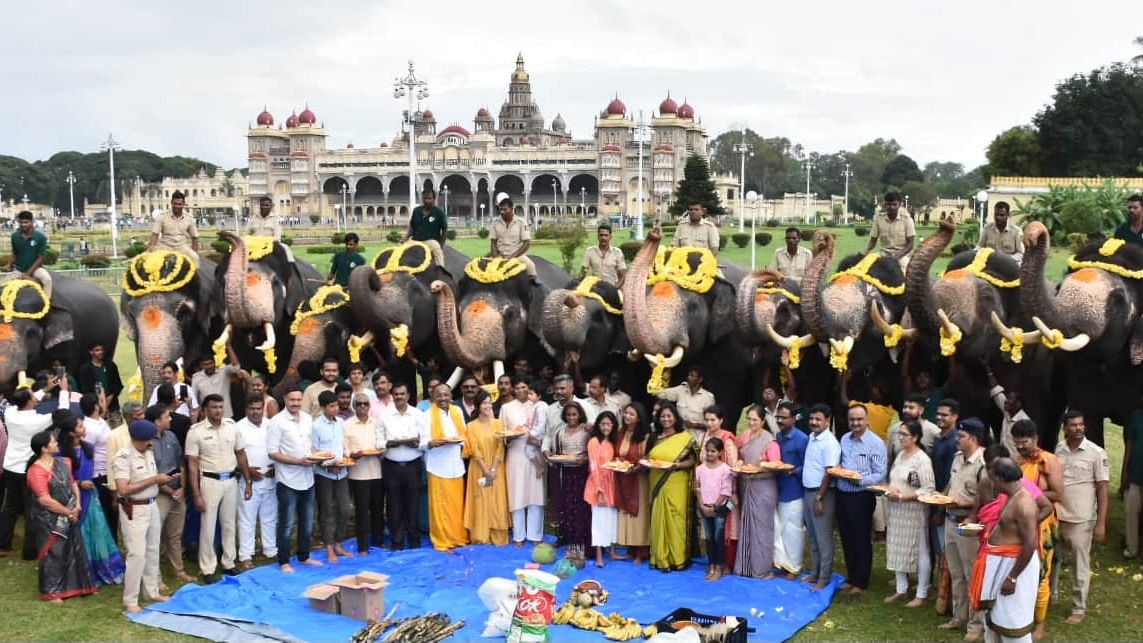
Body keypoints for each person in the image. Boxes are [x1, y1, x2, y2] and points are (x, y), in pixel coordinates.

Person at [970, 457, 1040, 643]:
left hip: (1013, 568)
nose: (990, 482)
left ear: (1000, 479)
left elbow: (1030, 543)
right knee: (994, 619)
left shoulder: (1023, 504)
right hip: (1000, 565)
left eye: (992, 478)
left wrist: (1013, 577)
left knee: (1012, 623)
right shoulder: (1011, 497)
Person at [185, 394, 250, 582]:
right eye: (214, 407)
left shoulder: (232, 427)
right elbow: (192, 464)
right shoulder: (195, 432)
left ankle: (229, 562)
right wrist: (196, 494)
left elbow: (241, 454)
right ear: (205, 410)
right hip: (209, 481)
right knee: (208, 525)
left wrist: (248, 481)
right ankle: (208, 568)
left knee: (229, 523)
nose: (218, 411)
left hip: (230, 480)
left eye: (220, 407)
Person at [1053, 411, 1110, 627]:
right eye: (1073, 425)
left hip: (1082, 517)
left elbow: (1103, 490)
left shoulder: (1096, 453)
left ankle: (1079, 607)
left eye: (1081, 425)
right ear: (1065, 428)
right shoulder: (1059, 449)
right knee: (1053, 557)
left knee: (1080, 562)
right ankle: (1052, 594)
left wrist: (1101, 523)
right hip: (1058, 515)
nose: (1078, 428)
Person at [27, 430, 98, 602]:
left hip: (70, 511)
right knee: (54, 553)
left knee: (75, 549)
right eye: (52, 442)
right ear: (44, 448)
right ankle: (52, 591)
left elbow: (73, 483)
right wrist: (68, 512)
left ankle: (82, 586)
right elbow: (44, 500)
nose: (56, 443)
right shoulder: (35, 472)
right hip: (48, 519)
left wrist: (77, 505)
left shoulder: (64, 462)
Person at [54, 414, 125, 586]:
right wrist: (78, 483)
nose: (84, 429)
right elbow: (60, 477)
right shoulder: (60, 453)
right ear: (71, 433)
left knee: (98, 530)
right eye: (80, 427)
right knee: (80, 532)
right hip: (72, 497)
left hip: (91, 496)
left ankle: (102, 568)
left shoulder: (88, 448)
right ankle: (81, 570)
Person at [829, 404, 889, 598]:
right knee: (846, 537)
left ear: (867, 420)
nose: (855, 423)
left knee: (861, 538)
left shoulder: (876, 443)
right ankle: (852, 577)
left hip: (861, 495)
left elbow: (880, 473)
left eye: (859, 419)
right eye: (852, 420)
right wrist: (838, 470)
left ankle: (861, 581)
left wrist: (859, 480)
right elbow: (841, 463)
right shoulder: (845, 439)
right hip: (843, 494)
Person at [112, 420, 172, 612]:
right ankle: (130, 599)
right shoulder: (123, 456)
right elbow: (123, 488)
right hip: (134, 509)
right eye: (149, 440)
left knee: (152, 550)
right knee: (137, 553)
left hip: (151, 504)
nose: (152, 443)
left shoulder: (148, 453)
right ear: (139, 439)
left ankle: (152, 591)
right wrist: (154, 479)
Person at [1011, 418, 1062, 637]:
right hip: (1017, 524)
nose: (1021, 447)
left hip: (1043, 524)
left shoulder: (1049, 461)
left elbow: (1058, 494)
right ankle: (1022, 614)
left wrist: (1027, 491)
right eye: (1017, 442)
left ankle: (1040, 622)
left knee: (1041, 572)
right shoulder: (1014, 461)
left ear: (1035, 439)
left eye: (1025, 442)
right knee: (1021, 570)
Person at [0, 387, 61, 559]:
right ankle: (30, 551)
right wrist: (62, 391)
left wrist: (46, 388)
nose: (36, 398)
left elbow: (25, 400)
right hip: (27, 469)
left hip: (11, 466)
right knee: (31, 510)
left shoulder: (10, 413)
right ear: (28, 401)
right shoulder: (37, 420)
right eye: (33, 397)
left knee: (10, 507)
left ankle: (3, 544)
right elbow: (60, 413)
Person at [941, 418, 988, 639]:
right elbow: (952, 485)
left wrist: (964, 505)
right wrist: (940, 497)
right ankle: (958, 617)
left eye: (961, 436)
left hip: (970, 525)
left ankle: (975, 624)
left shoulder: (984, 463)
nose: (957, 439)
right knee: (956, 572)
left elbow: (987, 500)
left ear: (974, 438)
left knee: (971, 575)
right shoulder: (957, 458)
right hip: (950, 520)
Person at [267, 389, 320, 573]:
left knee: (307, 521)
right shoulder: (277, 422)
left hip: (308, 478)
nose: (296, 403)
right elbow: (273, 452)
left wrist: (317, 456)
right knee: (287, 522)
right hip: (288, 479)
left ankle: (304, 556)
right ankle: (284, 560)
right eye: (292, 399)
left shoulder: (307, 418)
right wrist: (298, 461)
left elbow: (310, 444)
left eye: (299, 399)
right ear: (285, 399)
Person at [884, 419, 936, 607]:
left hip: (914, 510)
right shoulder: (900, 455)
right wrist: (891, 489)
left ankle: (921, 592)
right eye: (900, 434)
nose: (901, 438)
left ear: (915, 437)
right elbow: (894, 478)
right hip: (896, 509)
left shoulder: (922, 460)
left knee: (920, 550)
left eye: (905, 435)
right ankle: (901, 588)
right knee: (897, 546)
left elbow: (929, 488)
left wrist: (907, 496)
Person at [144, 404, 192, 582]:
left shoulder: (171, 436)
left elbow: (181, 464)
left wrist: (182, 488)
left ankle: (179, 571)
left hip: (177, 492)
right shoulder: (147, 442)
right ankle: (155, 577)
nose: (170, 419)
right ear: (157, 421)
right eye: (167, 416)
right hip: (159, 495)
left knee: (175, 535)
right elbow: (151, 473)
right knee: (154, 536)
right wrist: (171, 491)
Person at [647, 402, 696, 571]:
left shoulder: (686, 438)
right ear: (658, 418)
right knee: (658, 519)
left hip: (677, 482)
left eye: (669, 416)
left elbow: (693, 461)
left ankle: (678, 558)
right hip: (657, 481)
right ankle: (660, 558)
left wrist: (676, 466)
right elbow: (648, 458)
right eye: (662, 416)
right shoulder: (653, 437)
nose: (666, 419)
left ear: (675, 418)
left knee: (677, 518)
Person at [420, 383, 469, 551]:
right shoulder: (427, 415)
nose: (443, 398)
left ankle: (457, 537)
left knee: (456, 505)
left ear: (451, 396)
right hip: (437, 466)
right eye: (439, 395)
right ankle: (442, 540)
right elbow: (421, 443)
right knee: (440, 508)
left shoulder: (457, 411)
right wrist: (431, 443)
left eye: (446, 395)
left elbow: (464, 436)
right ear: (433, 397)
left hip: (456, 464)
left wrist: (458, 440)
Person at [501, 378, 546, 547]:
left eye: (524, 387)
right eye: (518, 387)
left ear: (529, 389)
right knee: (517, 494)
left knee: (536, 495)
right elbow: (502, 433)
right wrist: (511, 435)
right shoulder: (506, 408)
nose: (521, 390)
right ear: (513, 390)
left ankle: (535, 535)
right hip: (515, 454)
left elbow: (544, 429)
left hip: (535, 455)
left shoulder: (537, 405)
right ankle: (518, 536)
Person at [546, 401, 593, 565]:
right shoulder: (560, 432)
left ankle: (582, 546)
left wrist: (584, 459)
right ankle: (571, 543)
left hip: (581, 473)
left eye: (574, 414)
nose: (571, 417)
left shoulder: (587, 431)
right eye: (568, 415)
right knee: (568, 508)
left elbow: (592, 452)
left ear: (580, 415)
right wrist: (552, 456)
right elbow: (557, 452)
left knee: (580, 508)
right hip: (565, 473)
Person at [380, 382, 425, 550]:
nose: (399, 397)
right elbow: (378, 440)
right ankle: (397, 542)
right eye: (396, 394)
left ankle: (414, 542)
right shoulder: (385, 415)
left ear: (408, 396)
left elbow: (426, 439)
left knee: (413, 504)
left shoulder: (418, 414)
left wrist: (418, 444)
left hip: (413, 465)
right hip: (391, 466)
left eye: (402, 393)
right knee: (394, 506)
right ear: (392, 396)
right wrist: (388, 443)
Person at [463, 390, 510, 545]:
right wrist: (485, 470)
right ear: (477, 405)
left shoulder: (499, 424)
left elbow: (500, 448)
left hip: (496, 468)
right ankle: (480, 536)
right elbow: (473, 450)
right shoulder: (470, 426)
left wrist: (493, 470)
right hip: (478, 468)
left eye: (489, 402)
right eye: (484, 403)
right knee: (480, 501)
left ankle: (498, 536)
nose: (488, 406)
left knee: (497, 501)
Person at [235, 397, 277, 569]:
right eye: (252, 408)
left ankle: (270, 549)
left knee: (270, 517)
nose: (256, 412)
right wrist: (247, 471)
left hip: (270, 477)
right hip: (249, 480)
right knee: (247, 519)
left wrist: (276, 467)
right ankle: (246, 555)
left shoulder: (271, 425)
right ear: (246, 409)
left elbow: (278, 448)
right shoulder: (238, 427)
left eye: (259, 408)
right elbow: (234, 454)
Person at [803, 404, 841, 591]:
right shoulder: (812, 437)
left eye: (818, 419)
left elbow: (829, 473)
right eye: (812, 419)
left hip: (822, 494)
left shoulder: (830, 443)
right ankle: (815, 572)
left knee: (823, 538)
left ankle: (824, 578)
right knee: (812, 536)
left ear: (827, 421)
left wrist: (819, 497)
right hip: (808, 492)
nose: (814, 422)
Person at [312, 390, 351, 561]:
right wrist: (327, 465)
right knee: (327, 510)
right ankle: (328, 547)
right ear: (323, 408)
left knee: (345, 509)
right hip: (324, 474)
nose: (336, 409)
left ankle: (338, 543)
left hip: (341, 472)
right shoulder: (316, 426)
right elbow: (314, 452)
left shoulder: (340, 422)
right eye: (332, 406)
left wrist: (347, 458)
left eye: (336, 405)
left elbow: (343, 444)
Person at [700, 405, 740, 572]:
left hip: (725, 491)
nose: (709, 423)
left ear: (721, 420)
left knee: (725, 529)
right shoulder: (705, 437)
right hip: (708, 490)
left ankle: (726, 564)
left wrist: (731, 493)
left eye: (713, 420)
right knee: (711, 531)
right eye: (707, 419)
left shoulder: (727, 438)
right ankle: (714, 563)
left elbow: (732, 468)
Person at [345, 393, 384, 555]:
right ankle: (362, 546)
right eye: (359, 404)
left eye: (365, 404)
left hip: (376, 471)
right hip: (358, 474)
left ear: (369, 406)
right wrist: (352, 454)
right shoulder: (347, 425)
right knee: (361, 512)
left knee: (378, 510)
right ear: (354, 406)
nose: (362, 407)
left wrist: (381, 449)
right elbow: (344, 447)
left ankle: (378, 542)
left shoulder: (377, 423)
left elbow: (382, 443)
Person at [774, 401, 808, 579]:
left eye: (783, 417)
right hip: (779, 489)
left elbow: (807, 465)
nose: (779, 420)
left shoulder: (802, 439)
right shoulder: (778, 437)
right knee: (780, 529)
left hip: (794, 490)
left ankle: (794, 568)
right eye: (778, 417)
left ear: (794, 419)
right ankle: (783, 563)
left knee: (793, 531)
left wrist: (792, 470)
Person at [615, 402, 651, 565]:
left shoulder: (645, 435)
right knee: (627, 515)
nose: (627, 417)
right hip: (623, 477)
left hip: (639, 480)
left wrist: (635, 467)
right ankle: (631, 548)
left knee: (640, 515)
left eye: (631, 414)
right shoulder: (620, 432)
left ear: (639, 418)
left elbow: (646, 458)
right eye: (626, 413)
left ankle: (642, 551)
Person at [79, 393, 117, 541]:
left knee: (111, 513)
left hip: (107, 470)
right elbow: (86, 454)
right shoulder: (89, 428)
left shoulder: (99, 420)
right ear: (96, 407)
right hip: (98, 475)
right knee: (105, 511)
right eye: (100, 402)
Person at [695, 437, 733, 580]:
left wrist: (714, 507)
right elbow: (697, 488)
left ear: (720, 452)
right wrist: (702, 505)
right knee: (709, 538)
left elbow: (725, 491)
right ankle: (711, 565)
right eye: (708, 451)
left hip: (718, 509)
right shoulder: (700, 469)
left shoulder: (725, 469)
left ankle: (719, 568)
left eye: (713, 451)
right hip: (704, 507)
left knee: (718, 538)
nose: (710, 454)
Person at [586, 411, 619, 567]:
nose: (606, 427)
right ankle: (599, 554)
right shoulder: (594, 442)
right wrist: (599, 489)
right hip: (598, 483)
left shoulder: (614, 442)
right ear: (598, 425)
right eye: (603, 424)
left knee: (612, 518)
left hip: (613, 483)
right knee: (598, 520)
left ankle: (612, 551)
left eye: (609, 424)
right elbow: (593, 466)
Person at [656, 366, 717, 441]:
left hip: (697, 439)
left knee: (696, 452)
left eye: (692, 375)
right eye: (688, 375)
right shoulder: (681, 390)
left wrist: (693, 425)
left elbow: (712, 423)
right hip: (679, 436)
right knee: (678, 452)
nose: (688, 377)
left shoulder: (707, 397)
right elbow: (660, 394)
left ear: (700, 379)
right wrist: (658, 373)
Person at [6, 210, 53, 298]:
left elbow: (41, 257)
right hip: (19, 270)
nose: (23, 225)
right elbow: (15, 253)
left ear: (32, 222)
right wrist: (9, 264)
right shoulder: (14, 236)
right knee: (2, 283)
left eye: (26, 222)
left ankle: (47, 304)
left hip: (36, 270)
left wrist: (28, 273)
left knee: (47, 280)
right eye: (21, 222)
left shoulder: (40, 237)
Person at [489, 198, 537, 282]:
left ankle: (535, 287)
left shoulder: (521, 222)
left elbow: (526, 243)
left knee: (531, 266)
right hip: (500, 255)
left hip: (517, 256)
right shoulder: (495, 222)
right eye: (500, 209)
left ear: (512, 209)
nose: (502, 212)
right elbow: (493, 242)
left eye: (505, 209)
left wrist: (512, 257)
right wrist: (495, 257)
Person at [191, 352, 247, 421]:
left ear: (215, 362)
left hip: (225, 416)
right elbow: (193, 398)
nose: (209, 366)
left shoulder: (223, 372)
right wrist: (199, 413)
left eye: (210, 363)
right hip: (207, 418)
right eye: (205, 364)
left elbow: (236, 367)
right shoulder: (196, 377)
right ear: (201, 366)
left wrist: (228, 346)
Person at [887, 393, 941, 464]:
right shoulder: (895, 429)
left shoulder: (933, 431)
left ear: (921, 410)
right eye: (905, 407)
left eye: (911, 408)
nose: (906, 410)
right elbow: (889, 459)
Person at [76, 342, 124, 420]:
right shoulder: (85, 369)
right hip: (95, 408)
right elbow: (85, 390)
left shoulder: (110, 365)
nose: (101, 352)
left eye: (102, 350)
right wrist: (100, 404)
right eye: (97, 350)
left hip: (113, 406)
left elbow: (118, 385)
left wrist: (109, 399)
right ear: (91, 352)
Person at [866, 192, 916, 267]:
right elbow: (873, 240)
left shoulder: (907, 219)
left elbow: (910, 244)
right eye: (889, 204)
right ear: (885, 205)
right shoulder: (879, 219)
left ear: (899, 205)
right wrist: (864, 253)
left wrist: (896, 257)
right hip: (884, 254)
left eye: (894, 204)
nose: (891, 207)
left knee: (907, 271)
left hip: (901, 256)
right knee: (865, 267)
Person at [987, 371, 1030, 455]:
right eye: (1007, 398)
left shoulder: (1024, 422)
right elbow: (996, 391)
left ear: (1018, 403)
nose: (1006, 401)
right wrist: (988, 371)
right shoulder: (1007, 412)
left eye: (1010, 399)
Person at [148, 191, 200, 258]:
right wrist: (151, 249)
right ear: (171, 203)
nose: (176, 206)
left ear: (183, 204)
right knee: (151, 262)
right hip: (164, 247)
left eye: (179, 204)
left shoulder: (189, 218)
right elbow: (154, 235)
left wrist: (194, 253)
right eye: (174, 204)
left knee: (194, 260)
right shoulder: (162, 217)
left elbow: (195, 238)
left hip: (182, 248)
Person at [404, 188, 447, 266]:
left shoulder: (439, 212)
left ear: (434, 199)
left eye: (429, 198)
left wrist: (441, 245)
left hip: (431, 241)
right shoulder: (416, 211)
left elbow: (444, 230)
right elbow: (412, 227)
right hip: (415, 240)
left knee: (437, 250)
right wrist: (405, 238)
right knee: (401, 251)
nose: (427, 201)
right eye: (425, 198)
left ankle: (441, 272)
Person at [580, 223, 627, 287]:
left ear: (610, 236)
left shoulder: (617, 252)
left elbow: (623, 276)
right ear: (598, 236)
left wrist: (615, 289)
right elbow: (583, 272)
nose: (603, 238)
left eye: (606, 235)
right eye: (601, 235)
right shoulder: (590, 251)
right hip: (595, 288)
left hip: (612, 287)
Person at [1124, 409, 1143, 559]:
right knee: (1131, 511)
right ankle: (1132, 548)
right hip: (1136, 472)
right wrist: (1125, 469)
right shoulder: (1136, 417)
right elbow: (1129, 445)